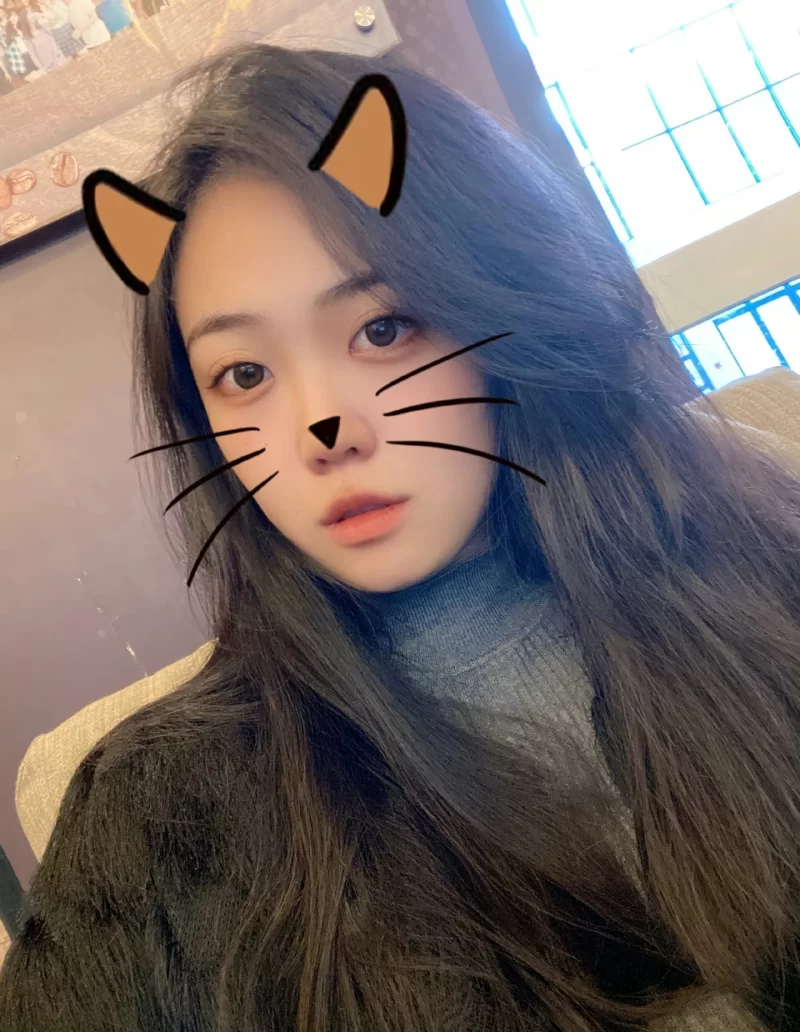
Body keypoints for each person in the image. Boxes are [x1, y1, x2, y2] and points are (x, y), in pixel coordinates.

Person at [1, 41, 799, 1032]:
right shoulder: (155, 810)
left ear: (502, 307)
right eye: (243, 375)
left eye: (382, 330)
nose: (321, 430)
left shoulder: (766, 575)